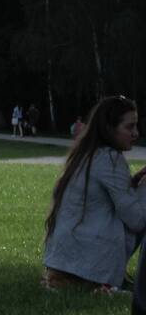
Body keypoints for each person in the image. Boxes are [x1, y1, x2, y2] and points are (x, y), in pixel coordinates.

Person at [44, 96, 146, 292]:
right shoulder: (110, 158)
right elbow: (137, 220)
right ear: (109, 128)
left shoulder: (87, 155)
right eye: (129, 127)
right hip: (88, 265)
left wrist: (133, 183)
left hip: (64, 261)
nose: (136, 133)